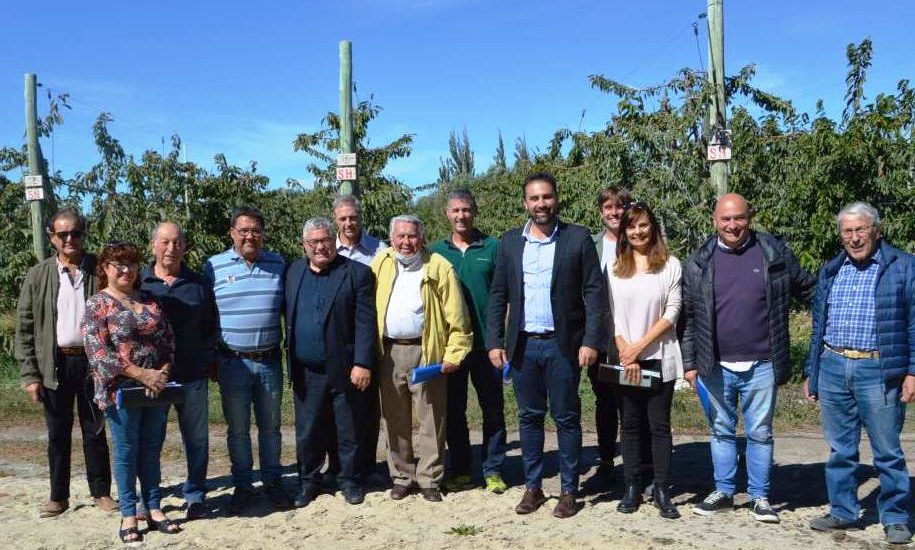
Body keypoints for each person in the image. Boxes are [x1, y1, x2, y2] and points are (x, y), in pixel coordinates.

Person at [682, 193, 815, 523]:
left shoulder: (774, 254)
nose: (732, 225)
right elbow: (689, 317)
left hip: (762, 362)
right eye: (725, 219)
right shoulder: (699, 261)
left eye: (739, 218)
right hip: (715, 363)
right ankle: (724, 491)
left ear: (749, 217)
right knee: (721, 431)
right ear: (714, 221)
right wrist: (689, 363)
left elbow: (810, 288)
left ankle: (760, 497)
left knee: (760, 432)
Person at [487, 171, 608, 518]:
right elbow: (498, 295)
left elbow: (594, 292)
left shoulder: (577, 238)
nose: (541, 204)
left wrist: (591, 340)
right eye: (534, 198)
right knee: (529, 418)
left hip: (563, 345)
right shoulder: (510, 243)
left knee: (567, 418)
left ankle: (569, 490)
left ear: (557, 199)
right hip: (523, 345)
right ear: (525, 203)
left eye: (547, 197)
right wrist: (495, 340)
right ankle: (533, 488)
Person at [804, 202, 915, 545]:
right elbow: (818, 325)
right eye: (848, 231)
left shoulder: (903, 266)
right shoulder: (832, 270)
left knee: (887, 451)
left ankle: (895, 517)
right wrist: (814, 369)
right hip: (834, 365)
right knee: (840, 449)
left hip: (879, 369)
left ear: (876, 230)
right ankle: (843, 510)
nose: (854, 238)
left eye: (861, 229)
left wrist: (912, 371)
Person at [15, 209, 117, 517]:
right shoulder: (39, 274)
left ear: (84, 234)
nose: (70, 239)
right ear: (52, 238)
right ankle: (58, 496)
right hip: (54, 364)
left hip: (92, 363)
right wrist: (30, 374)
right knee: (58, 434)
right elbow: (25, 325)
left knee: (95, 431)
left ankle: (101, 492)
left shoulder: (100, 269)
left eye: (76, 233)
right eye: (63, 235)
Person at [370, 215, 472, 502]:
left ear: (421, 237)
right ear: (392, 239)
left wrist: (454, 354)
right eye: (401, 236)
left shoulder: (439, 266)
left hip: (427, 351)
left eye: (412, 236)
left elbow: (458, 317)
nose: (406, 242)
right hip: (389, 351)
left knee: (431, 418)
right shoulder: (381, 263)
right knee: (394, 418)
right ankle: (402, 475)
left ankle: (429, 478)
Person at [82, 242, 179, 543]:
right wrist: (141, 374)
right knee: (126, 453)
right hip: (119, 392)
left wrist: (162, 372)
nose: (126, 270)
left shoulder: (150, 300)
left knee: (151, 450)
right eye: (118, 264)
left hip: (155, 390)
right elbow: (98, 353)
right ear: (105, 268)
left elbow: (168, 340)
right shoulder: (97, 305)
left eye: (132, 264)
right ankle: (128, 514)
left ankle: (153, 507)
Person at [204, 206, 291, 513]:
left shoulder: (278, 263)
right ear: (232, 233)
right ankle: (242, 486)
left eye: (255, 230)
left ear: (263, 233)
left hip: (268, 360)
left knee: (271, 427)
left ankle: (273, 483)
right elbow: (207, 316)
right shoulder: (213, 266)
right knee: (237, 429)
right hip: (232, 363)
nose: (250, 236)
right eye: (243, 231)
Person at [285, 217, 376, 507]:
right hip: (306, 369)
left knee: (348, 428)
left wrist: (363, 362)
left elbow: (365, 323)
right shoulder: (293, 271)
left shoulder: (356, 273)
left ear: (333, 241)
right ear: (305, 245)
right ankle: (309, 481)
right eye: (314, 242)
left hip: (345, 368)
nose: (320, 246)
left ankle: (350, 480)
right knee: (308, 430)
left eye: (325, 240)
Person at [607, 202, 682, 519]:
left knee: (660, 426)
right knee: (631, 425)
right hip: (627, 360)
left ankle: (663, 489)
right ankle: (632, 488)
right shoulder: (614, 268)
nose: (637, 232)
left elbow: (672, 311)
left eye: (643, 225)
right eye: (631, 226)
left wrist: (640, 346)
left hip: (659, 356)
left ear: (652, 227)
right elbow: (611, 314)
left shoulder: (669, 265)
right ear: (623, 231)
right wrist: (627, 351)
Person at [430, 190, 507, 494]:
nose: (461, 215)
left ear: (474, 212)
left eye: (466, 210)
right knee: (453, 411)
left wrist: (500, 338)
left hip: (488, 346)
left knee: (493, 410)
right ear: (446, 214)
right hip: (452, 348)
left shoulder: (493, 247)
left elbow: (506, 295)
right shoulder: (435, 251)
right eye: (455, 210)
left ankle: (494, 469)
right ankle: (461, 469)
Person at [139, 222, 218, 519]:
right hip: (153, 379)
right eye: (165, 242)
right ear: (153, 246)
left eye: (177, 243)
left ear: (185, 247)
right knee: (151, 440)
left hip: (192, 374)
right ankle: (150, 497)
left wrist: (210, 359)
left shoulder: (198, 284)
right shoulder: (140, 284)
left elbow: (211, 325)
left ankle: (195, 494)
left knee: (196, 439)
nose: (171, 248)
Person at [331, 195, 387, 479]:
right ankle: (338, 465)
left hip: (369, 338)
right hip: (336, 340)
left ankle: (366, 464)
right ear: (335, 220)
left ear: (360, 217)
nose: (348, 223)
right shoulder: (327, 249)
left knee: (367, 408)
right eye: (342, 218)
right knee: (336, 406)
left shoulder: (380, 250)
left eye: (353, 217)